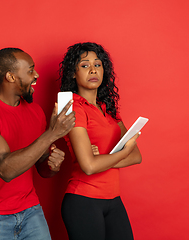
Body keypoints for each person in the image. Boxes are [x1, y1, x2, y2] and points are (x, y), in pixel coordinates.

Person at [0, 47, 76, 240]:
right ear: (10, 76)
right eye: (30, 70)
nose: (36, 75)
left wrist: (52, 165)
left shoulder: (35, 112)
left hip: (31, 212)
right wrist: (51, 135)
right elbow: (5, 169)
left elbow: (42, 167)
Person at [59, 42, 142, 240]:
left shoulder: (109, 110)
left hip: (114, 201)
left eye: (98, 64)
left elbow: (136, 156)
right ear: (73, 73)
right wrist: (121, 152)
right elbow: (88, 167)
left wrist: (101, 160)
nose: (93, 69)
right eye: (85, 65)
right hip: (83, 201)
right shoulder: (73, 108)